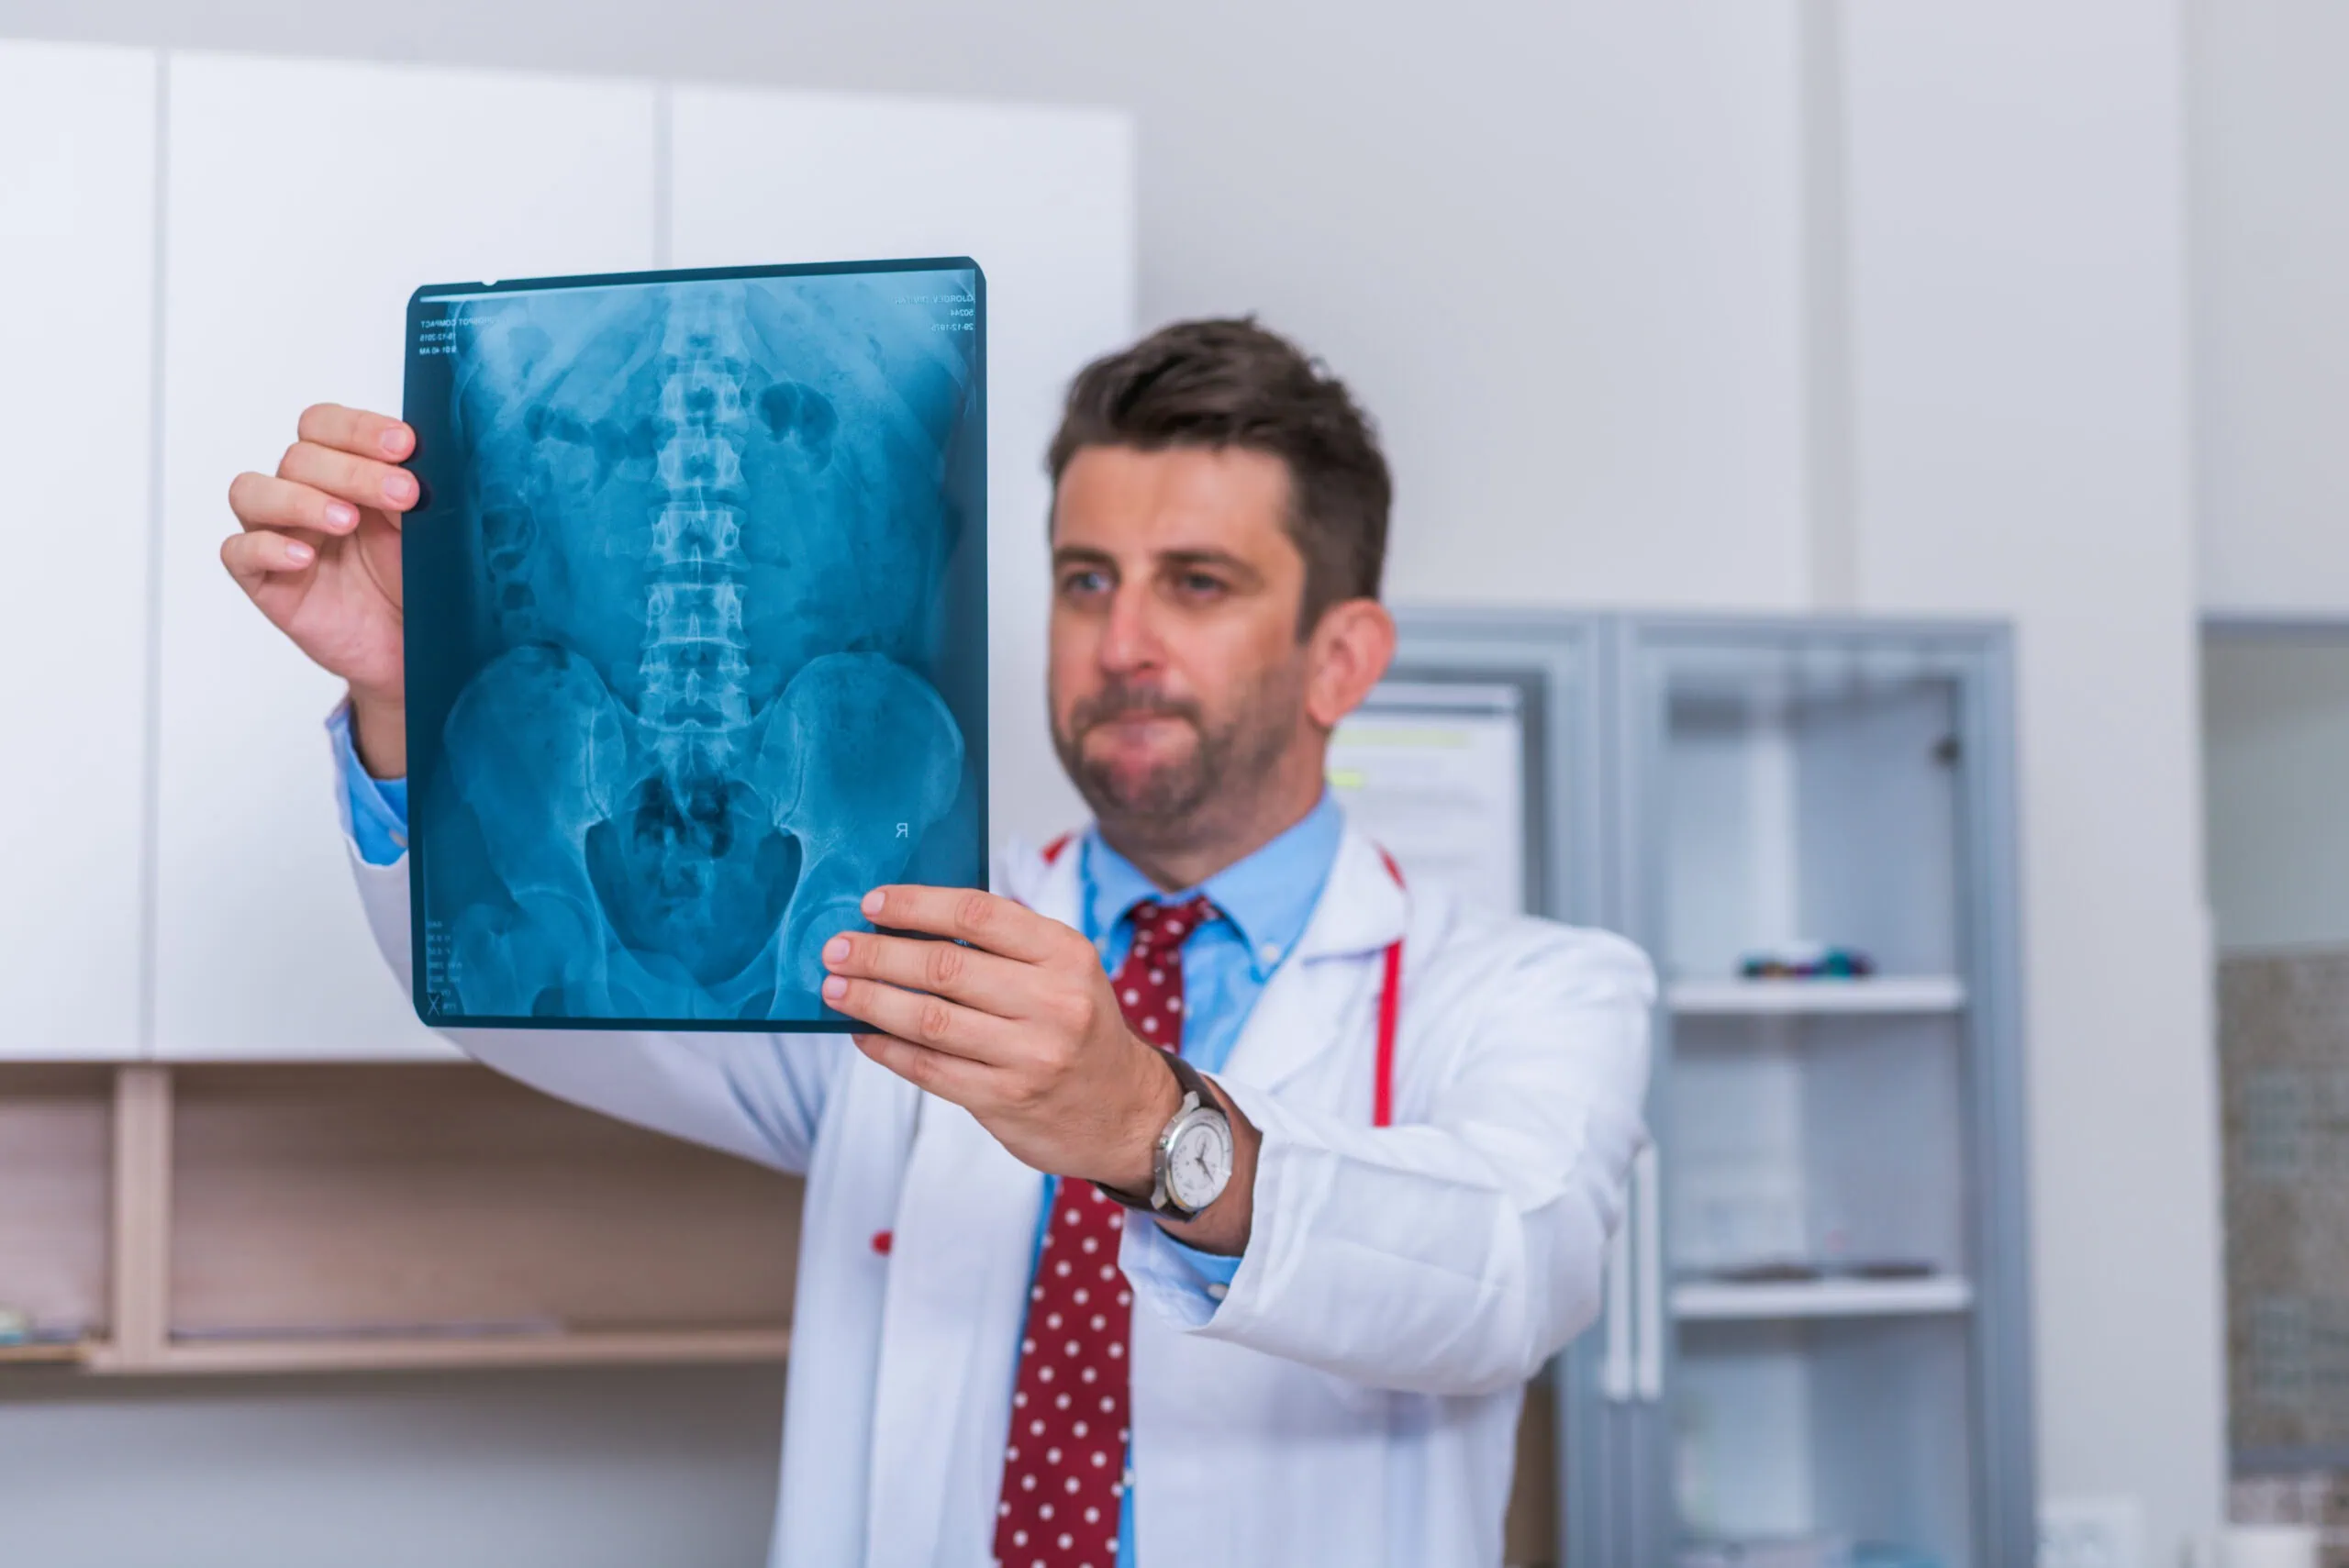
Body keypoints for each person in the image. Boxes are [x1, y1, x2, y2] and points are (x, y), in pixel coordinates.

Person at [221, 317, 1653, 1567]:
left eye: (1198, 583)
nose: (1122, 642)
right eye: (1086, 579)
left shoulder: (1531, 988)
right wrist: (411, 700)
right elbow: (537, 991)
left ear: (1343, 658)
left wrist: (1149, 1127)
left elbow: (1511, 1273)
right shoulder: (897, 930)